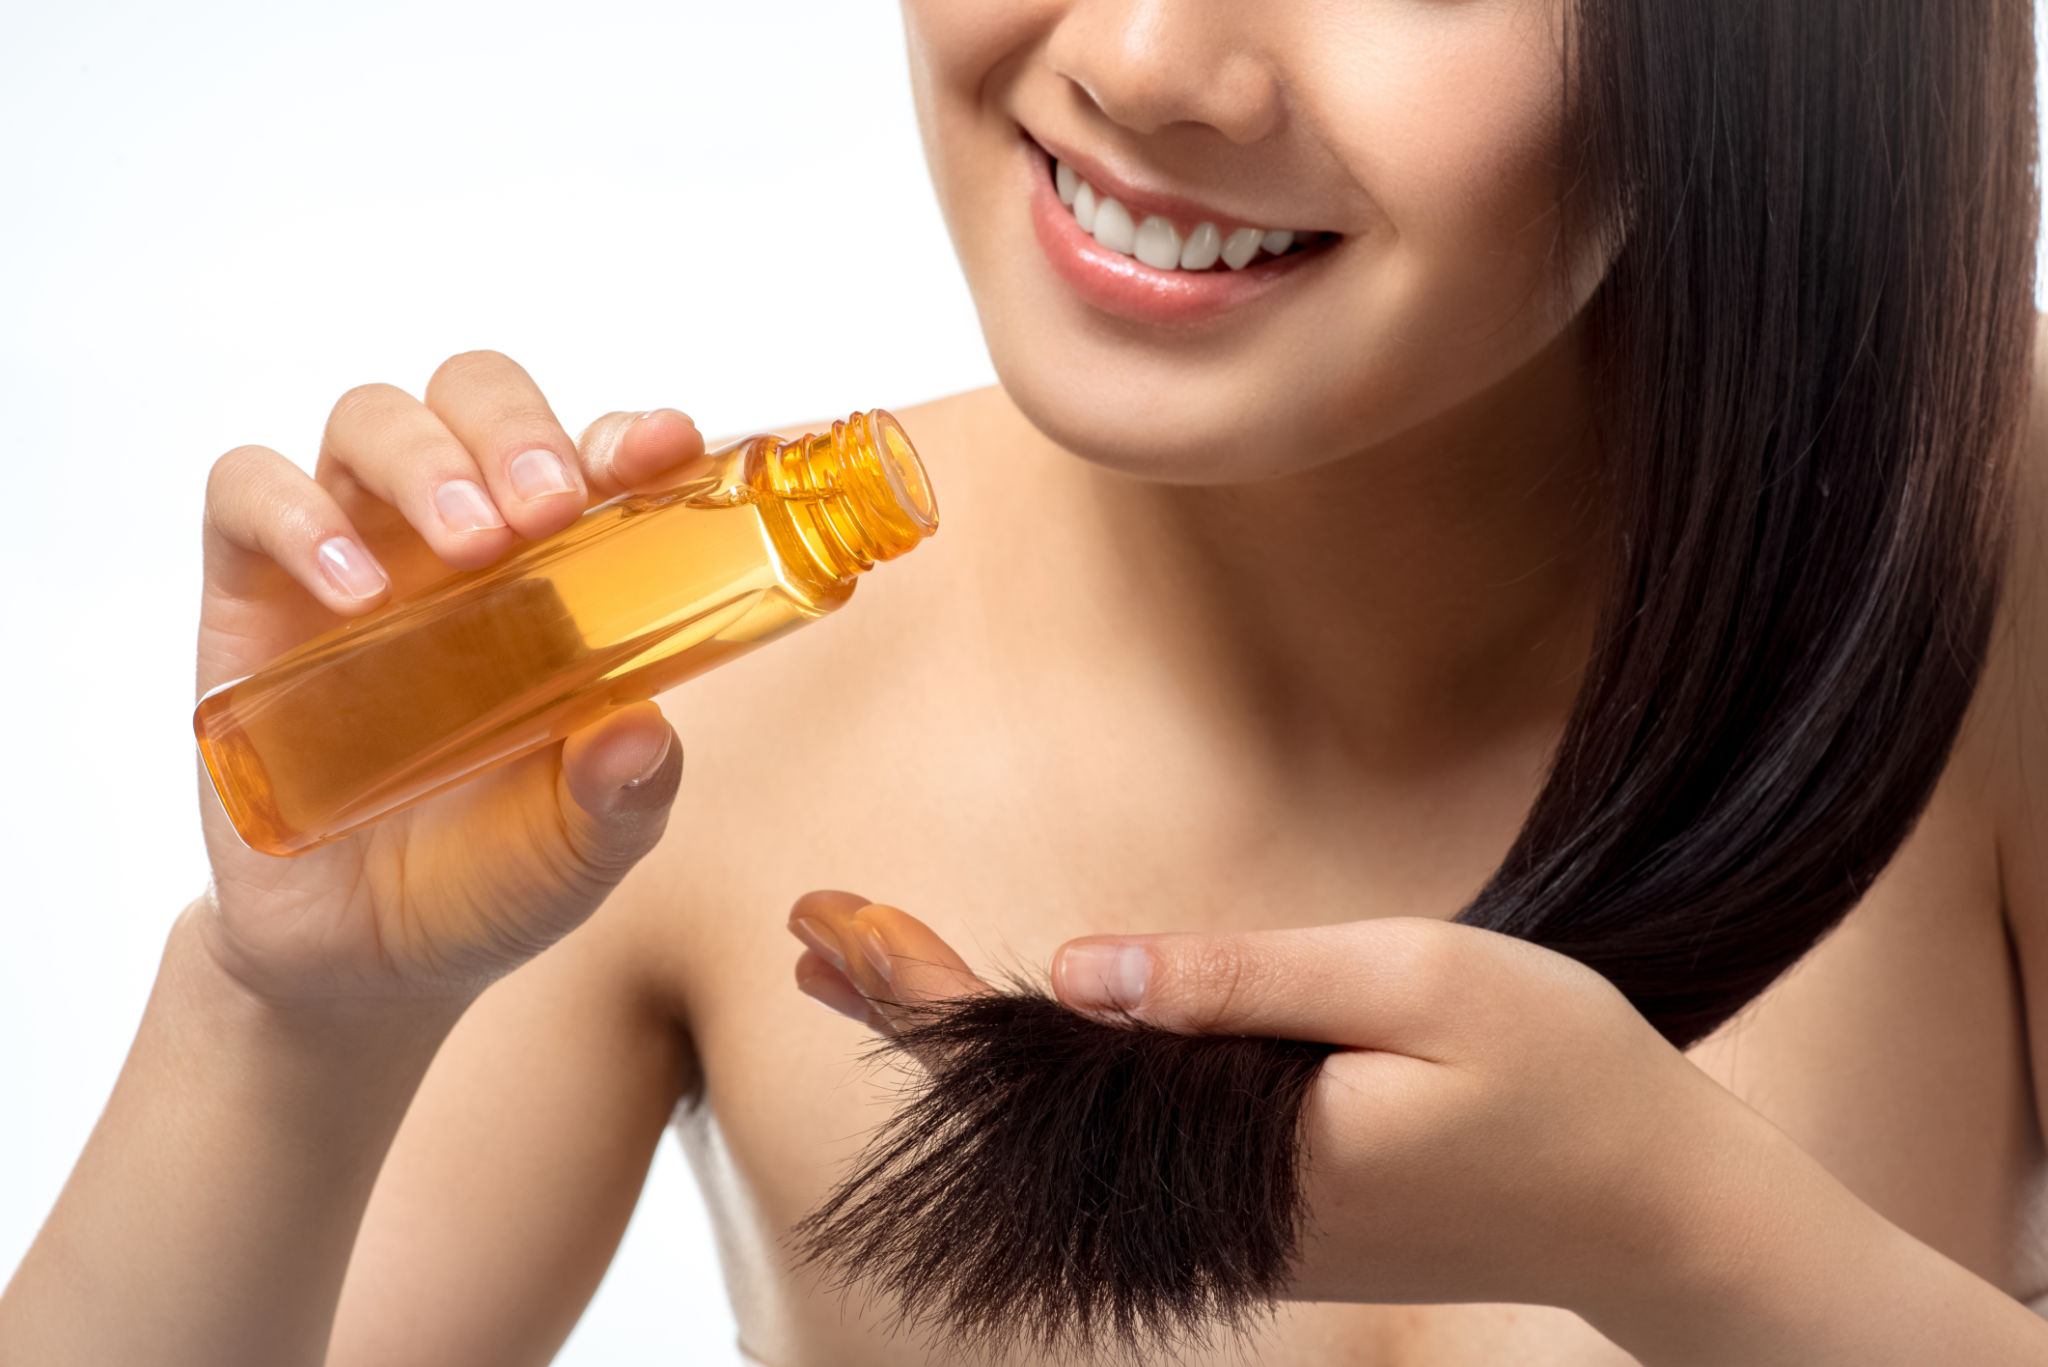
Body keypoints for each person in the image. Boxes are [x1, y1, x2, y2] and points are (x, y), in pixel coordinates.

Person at [5, 0, 2048, 1363]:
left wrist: (1683, 1241)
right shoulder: (668, 715)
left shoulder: (1999, 573)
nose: (1153, 56)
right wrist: (283, 1025)